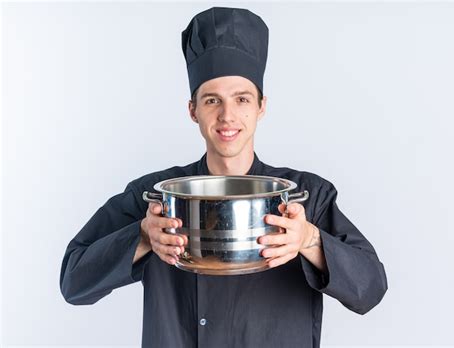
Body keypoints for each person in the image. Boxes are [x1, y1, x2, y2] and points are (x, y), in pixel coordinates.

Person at [60, 6, 388, 348]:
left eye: (241, 99)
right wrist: (142, 238)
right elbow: (73, 282)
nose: (227, 116)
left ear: (261, 107)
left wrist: (309, 239)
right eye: (212, 100)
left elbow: (371, 290)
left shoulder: (307, 197)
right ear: (193, 110)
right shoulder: (156, 199)